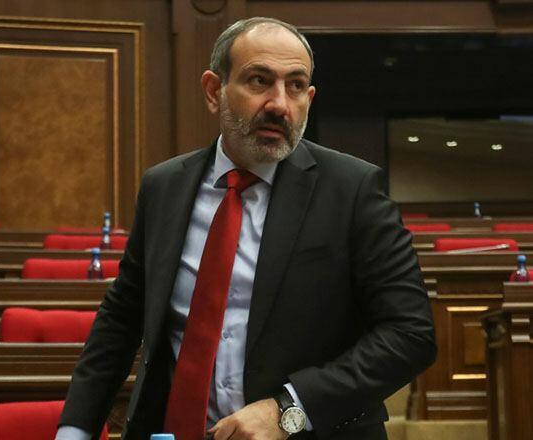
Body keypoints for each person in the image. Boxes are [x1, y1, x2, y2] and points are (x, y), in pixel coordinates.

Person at [56, 17, 436, 440]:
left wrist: (289, 409)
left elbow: (409, 334)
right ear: (214, 91)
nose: (279, 104)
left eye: (296, 86)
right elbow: (121, 319)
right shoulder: (164, 187)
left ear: (309, 98)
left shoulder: (352, 190)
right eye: (260, 81)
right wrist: (75, 430)